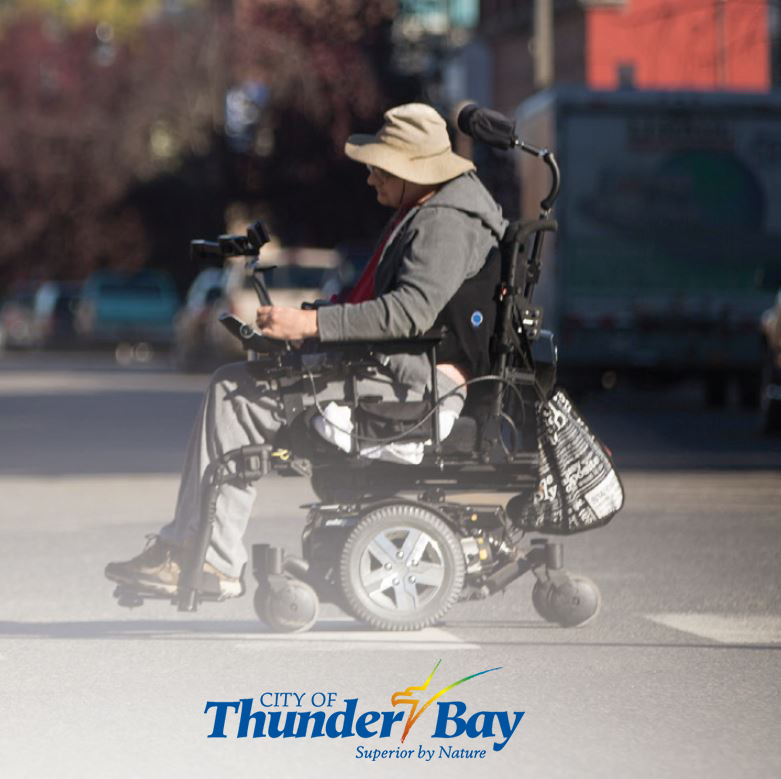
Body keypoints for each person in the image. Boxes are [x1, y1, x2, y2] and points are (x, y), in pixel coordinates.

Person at [105, 103, 507, 598]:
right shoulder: (431, 208)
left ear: (411, 170)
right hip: (398, 364)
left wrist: (312, 322)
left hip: (410, 380)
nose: (370, 178)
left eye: (379, 168)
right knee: (235, 383)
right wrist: (309, 324)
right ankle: (190, 547)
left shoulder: (445, 221)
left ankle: (208, 559)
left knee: (236, 394)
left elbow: (407, 314)